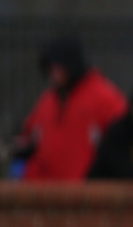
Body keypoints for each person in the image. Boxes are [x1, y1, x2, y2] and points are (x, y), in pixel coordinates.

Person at [12, 36, 126, 182]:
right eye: (50, 68)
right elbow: (29, 136)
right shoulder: (47, 100)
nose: (54, 74)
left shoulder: (104, 98)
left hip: (84, 194)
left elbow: (122, 142)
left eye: (59, 68)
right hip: (43, 193)